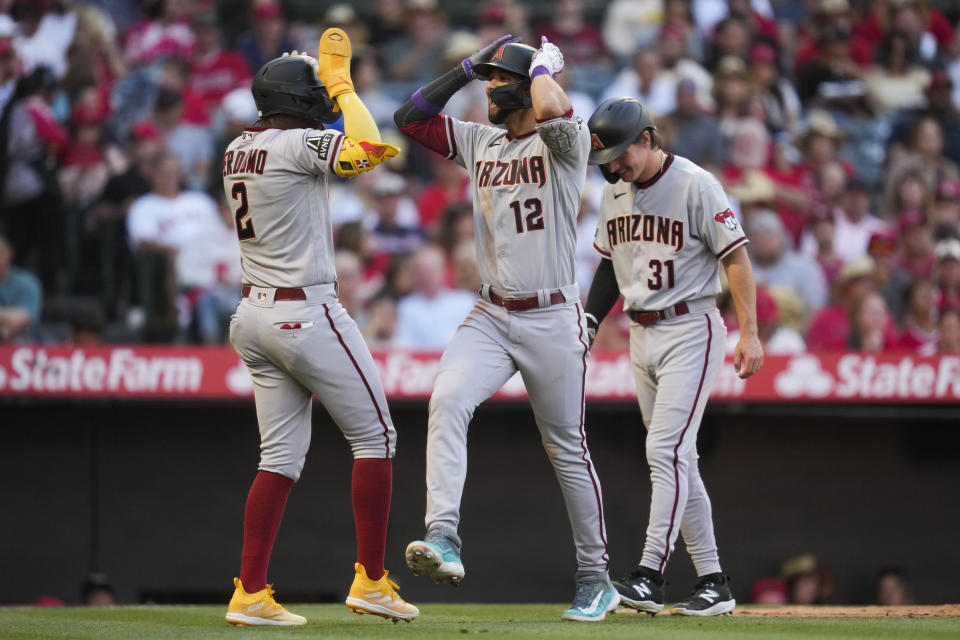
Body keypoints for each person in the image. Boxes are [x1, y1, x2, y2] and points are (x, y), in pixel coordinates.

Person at [394, 36, 617, 621]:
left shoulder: (563, 143)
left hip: (551, 314)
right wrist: (467, 66)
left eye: (499, 81)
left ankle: (596, 576)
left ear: (525, 85)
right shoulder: (481, 141)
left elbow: (551, 110)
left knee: (566, 447)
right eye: (487, 80)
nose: (489, 89)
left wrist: (538, 66)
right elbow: (410, 117)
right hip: (492, 313)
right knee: (446, 399)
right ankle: (443, 536)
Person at [223, 30, 416, 626]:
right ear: (298, 100)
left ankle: (249, 592)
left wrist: (327, 90)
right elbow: (368, 149)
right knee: (377, 439)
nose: (323, 98)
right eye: (315, 91)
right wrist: (344, 86)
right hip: (304, 310)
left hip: (252, 314)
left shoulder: (237, 147)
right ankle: (373, 581)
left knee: (278, 458)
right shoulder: (294, 144)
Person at [583, 97, 763, 617]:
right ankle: (714, 583)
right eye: (607, 159)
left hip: (691, 325)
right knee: (680, 460)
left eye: (621, 153)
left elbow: (737, 258)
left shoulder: (695, 183)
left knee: (664, 454)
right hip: (641, 333)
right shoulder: (614, 190)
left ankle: (649, 575)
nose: (614, 166)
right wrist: (591, 322)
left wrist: (749, 332)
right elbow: (606, 267)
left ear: (647, 137)